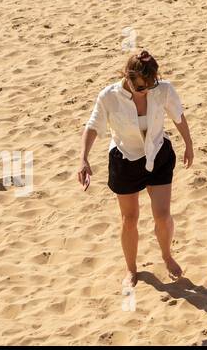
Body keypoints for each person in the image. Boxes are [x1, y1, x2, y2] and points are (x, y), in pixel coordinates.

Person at [78, 50, 195, 284]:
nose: (145, 91)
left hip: (158, 155)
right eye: (140, 87)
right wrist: (83, 158)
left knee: (162, 216)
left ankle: (167, 255)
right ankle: (131, 269)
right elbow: (93, 126)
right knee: (129, 219)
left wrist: (189, 145)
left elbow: (178, 117)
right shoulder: (109, 96)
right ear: (127, 76)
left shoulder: (163, 90)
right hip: (125, 160)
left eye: (149, 86)